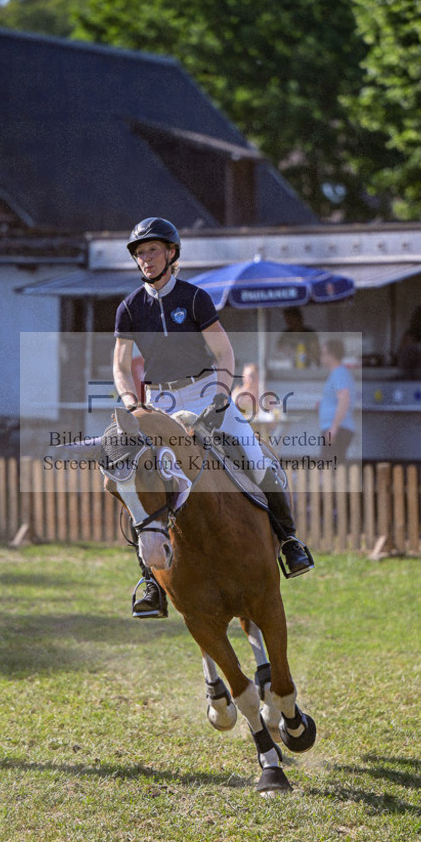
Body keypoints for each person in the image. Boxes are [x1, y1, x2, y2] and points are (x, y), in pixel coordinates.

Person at [113, 216, 313, 619]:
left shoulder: (195, 298)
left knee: (258, 460)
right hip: (160, 403)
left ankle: (289, 542)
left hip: (205, 391)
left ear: (171, 253)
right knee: (140, 479)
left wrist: (221, 400)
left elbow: (224, 354)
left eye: (152, 250)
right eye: (139, 253)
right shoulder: (129, 307)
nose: (145, 259)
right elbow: (120, 364)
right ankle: (150, 579)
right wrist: (132, 403)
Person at [318, 339, 355, 462]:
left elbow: (344, 399)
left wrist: (334, 427)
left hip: (337, 429)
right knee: (333, 468)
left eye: (323, 353)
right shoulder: (337, 374)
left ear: (331, 355)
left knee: (329, 470)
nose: (321, 357)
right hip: (335, 428)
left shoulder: (339, 373)